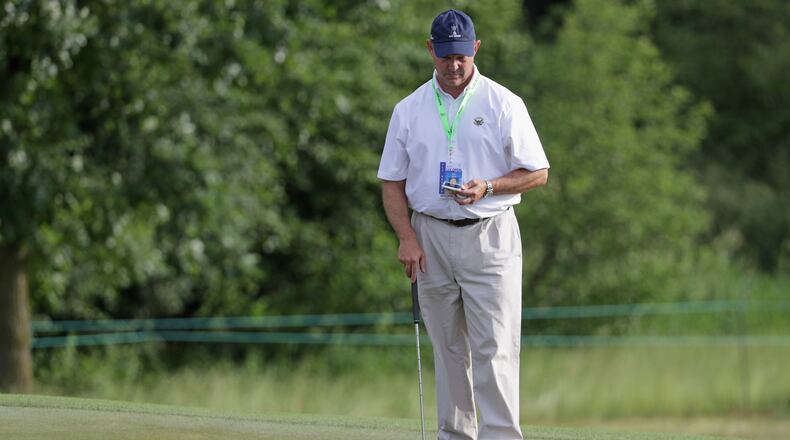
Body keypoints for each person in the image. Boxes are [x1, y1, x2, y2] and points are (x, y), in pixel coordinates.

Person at [377, 8, 550, 440]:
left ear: (475, 50)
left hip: (489, 234)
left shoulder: (503, 103)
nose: (454, 67)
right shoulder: (409, 109)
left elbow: (537, 172)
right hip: (430, 236)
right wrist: (406, 238)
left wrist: (489, 186)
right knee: (449, 349)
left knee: (494, 348)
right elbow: (391, 182)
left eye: (461, 57)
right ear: (430, 50)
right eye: (445, 57)